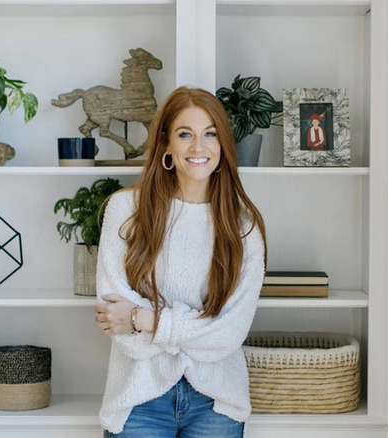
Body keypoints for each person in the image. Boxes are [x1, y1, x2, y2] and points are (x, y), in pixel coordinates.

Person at [93, 86, 267, 438]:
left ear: (223, 146)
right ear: (166, 144)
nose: (198, 147)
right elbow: (115, 319)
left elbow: (228, 334)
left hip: (215, 402)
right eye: (185, 134)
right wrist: (185, 330)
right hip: (138, 399)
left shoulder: (243, 228)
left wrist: (143, 319)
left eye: (210, 134)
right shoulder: (126, 210)